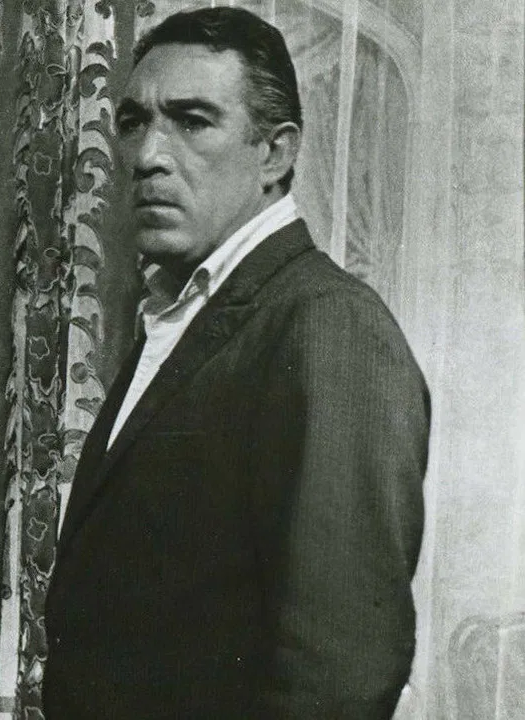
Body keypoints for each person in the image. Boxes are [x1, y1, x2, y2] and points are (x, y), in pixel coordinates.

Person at [43, 8, 429, 718]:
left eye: (192, 121)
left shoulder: (329, 325)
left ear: (275, 154)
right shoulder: (181, 315)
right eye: (133, 122)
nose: (148, 155)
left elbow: (340, 675)